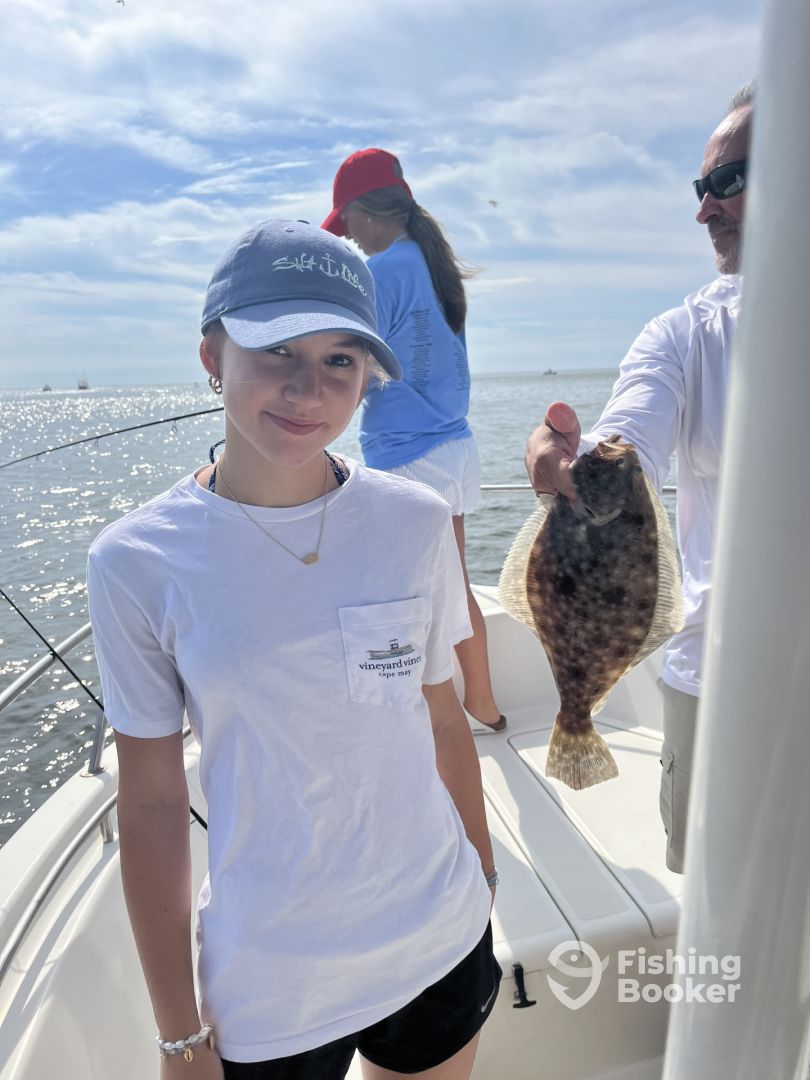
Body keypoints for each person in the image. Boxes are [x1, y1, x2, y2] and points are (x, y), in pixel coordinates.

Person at [86, 220, 501, 1080]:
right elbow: (154, 803)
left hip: (440, 934)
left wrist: (482, 874)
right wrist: (179, 1034)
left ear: (368, 375)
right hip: (272, 985)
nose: (309, 389)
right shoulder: (135, 560)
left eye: (341, 359)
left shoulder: (416, 521)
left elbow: (440, 715)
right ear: (212, 355)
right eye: (277, 349)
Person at [523, 82, 754, 874]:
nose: (704, 209)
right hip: (721, 682)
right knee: (719, 895)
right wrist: (569, 456)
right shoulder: (686, 334)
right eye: (700, 187)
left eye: (729, 181)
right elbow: (631, 438)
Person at [322, 149, 506, 734]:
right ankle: (483, 704)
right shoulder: (433, 264)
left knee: (403, 600)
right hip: (455, 449)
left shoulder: (381, 273)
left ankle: (424, 722)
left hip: (408, 458)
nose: (349, 237)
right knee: (454, 585)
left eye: (346, 221)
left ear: (365, 209)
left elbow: (352, 363)